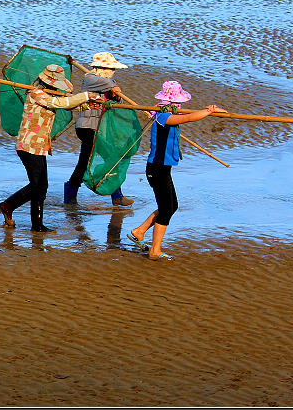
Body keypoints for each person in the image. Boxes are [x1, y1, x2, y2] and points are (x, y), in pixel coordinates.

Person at [127, 81, 227, 260]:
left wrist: (214, 110)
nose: (179, 106)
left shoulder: (167, 112)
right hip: (156, 168)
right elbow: (187, 118)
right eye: (177, 103)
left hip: (164, 168)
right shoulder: (162, 116)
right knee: (166, 209)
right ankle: (155, 250)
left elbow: (188, 115)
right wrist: (209, 111)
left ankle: (139, 231)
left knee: (172, 206)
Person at [0, 64, 101, 232]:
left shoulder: (47, 95)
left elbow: (64, 104)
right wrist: (85, 96)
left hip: (39, 146)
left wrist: (87, 105)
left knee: (41, 185)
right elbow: (59, 103)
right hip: (28, 145)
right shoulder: (36, 94)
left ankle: (37, 225)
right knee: (37, 185)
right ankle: (8, 205)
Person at [64, 51, 134, 206]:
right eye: (112, 69)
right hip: (88, 127)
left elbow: (116, 95)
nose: (113, 72)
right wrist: (115, 90)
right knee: (85, 161)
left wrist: (115, 96)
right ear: (103, 69)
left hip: (99, 128)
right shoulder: (90, 79)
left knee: (111, 158)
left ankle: (116, 195)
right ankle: (70, 194)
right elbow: (114, 87)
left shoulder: (104, 81)